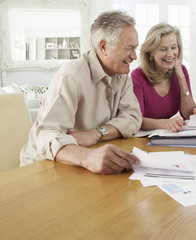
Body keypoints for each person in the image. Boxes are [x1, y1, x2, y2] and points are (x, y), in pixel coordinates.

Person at [20, 10, 142, 174]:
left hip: (83, 164)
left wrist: (96, 133)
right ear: (104, 46)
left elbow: (133, 117)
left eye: (135, 48)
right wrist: (87, 157)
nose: (134, 56)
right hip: (42, 168)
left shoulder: (122, 75)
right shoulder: (71, 76)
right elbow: (46, 135)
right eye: (129, 48)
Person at [131, 23, 196, 132]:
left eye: (173, 47)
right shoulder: (138, 76)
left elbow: (189, 115)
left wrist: (181, 77)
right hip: (142, 137)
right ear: (151, 52)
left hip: (166, 134)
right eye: (163, 49)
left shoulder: (181, 71)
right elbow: (137, 120)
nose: (170, 54)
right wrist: (166, 123)